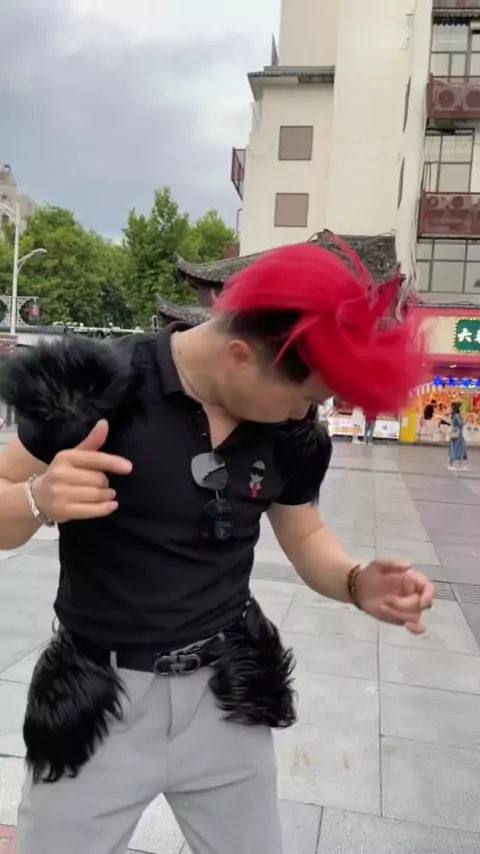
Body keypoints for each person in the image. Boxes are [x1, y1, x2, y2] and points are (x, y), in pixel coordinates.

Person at [0, 238, 434, 854]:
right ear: (239, 356)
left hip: (226, 699)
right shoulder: (97, 388)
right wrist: (38, 497)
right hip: (98, 702)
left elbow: (304, 531)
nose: (305, 414)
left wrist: (356, 581)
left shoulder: (291, 435)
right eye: (305, 398)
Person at [446, 401, 468, 471]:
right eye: (461, 407)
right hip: (457, 432)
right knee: (457, 447)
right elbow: (461, 424)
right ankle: (452, 463)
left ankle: (459, 464)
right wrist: (467, 419)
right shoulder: (456, 415)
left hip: (455, 432)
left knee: (459, 447)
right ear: (458, 408)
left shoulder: (456, 415)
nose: (462, 408)